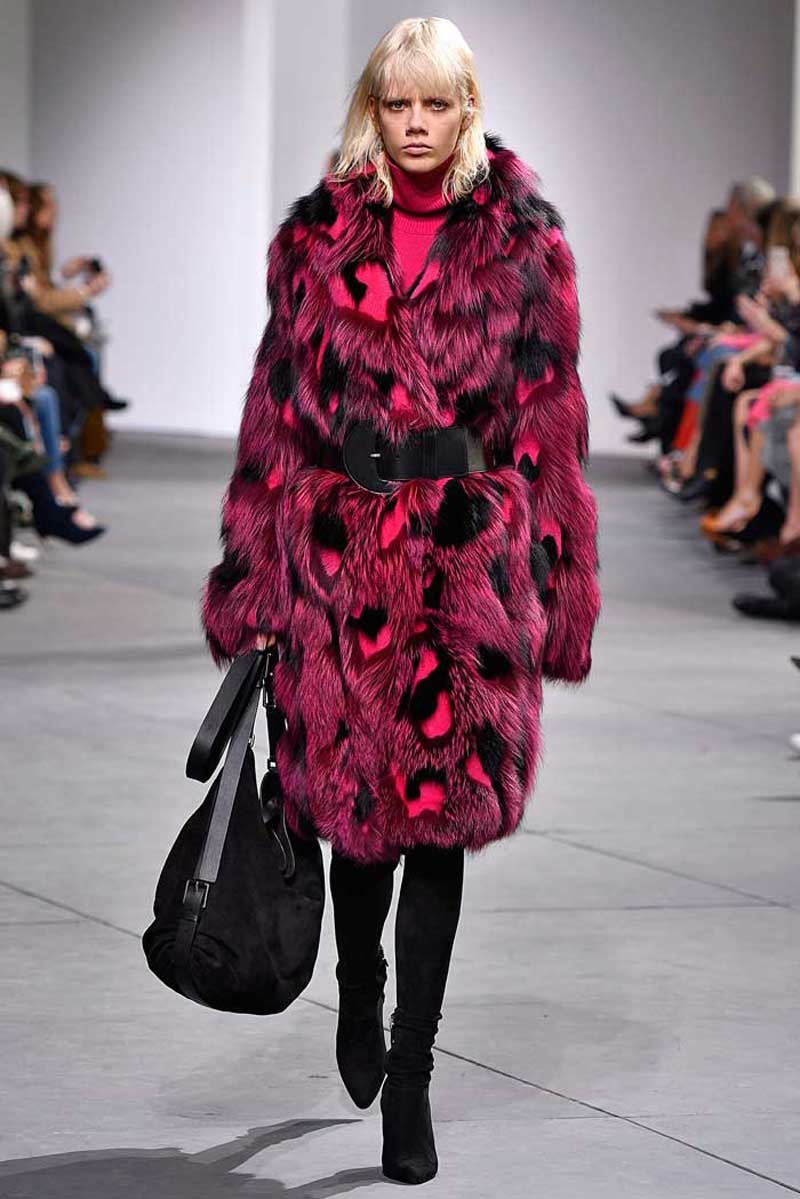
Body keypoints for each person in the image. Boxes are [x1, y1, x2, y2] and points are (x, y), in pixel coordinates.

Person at [201, 16, 601, 1186]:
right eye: (396, 102)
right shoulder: (317, 238)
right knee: (355, 819)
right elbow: (273, 417)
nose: (415, 124)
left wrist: (560, 583)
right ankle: (358, 981)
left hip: (467, 564)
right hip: (341, 563)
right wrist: (254, 580)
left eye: (434, 103)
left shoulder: (523, 242)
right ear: (372, 109)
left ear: (464, 108)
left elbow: (550, 421)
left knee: (441, 818)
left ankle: (412, 1072)